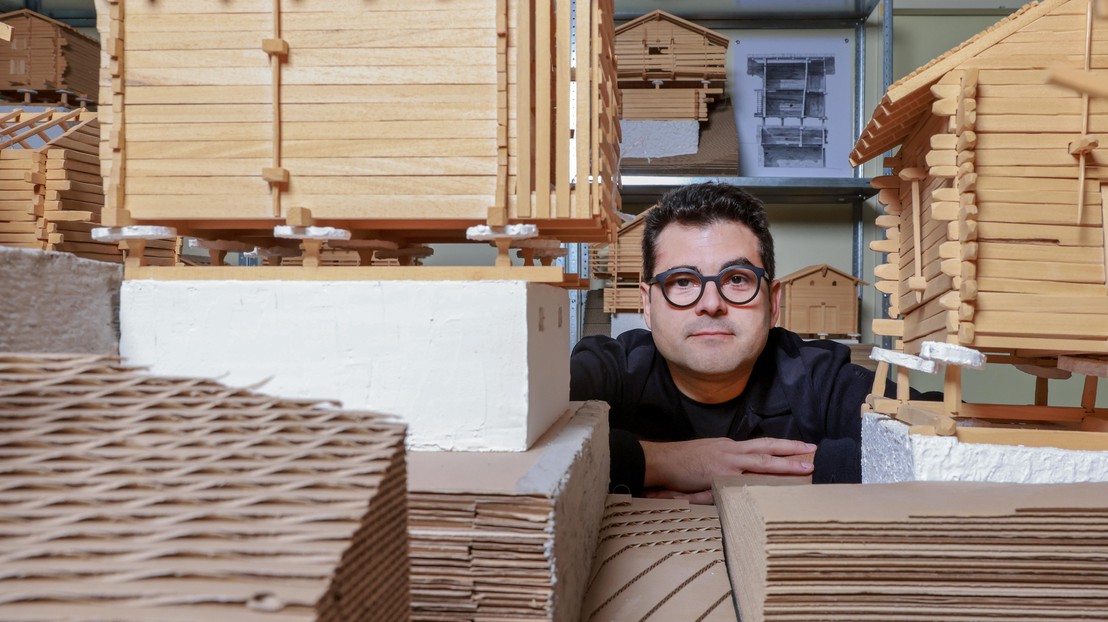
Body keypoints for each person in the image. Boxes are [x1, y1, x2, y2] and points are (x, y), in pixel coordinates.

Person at [571, 182, 879, 503]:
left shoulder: (823, 379)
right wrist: (657, 460)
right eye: (683, 281)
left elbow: (930, 448)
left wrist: (793, 475)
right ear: (647, 305)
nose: (712, 303)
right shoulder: (606, 370)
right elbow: (521, 446)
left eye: (736, 278)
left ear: (773, 304)